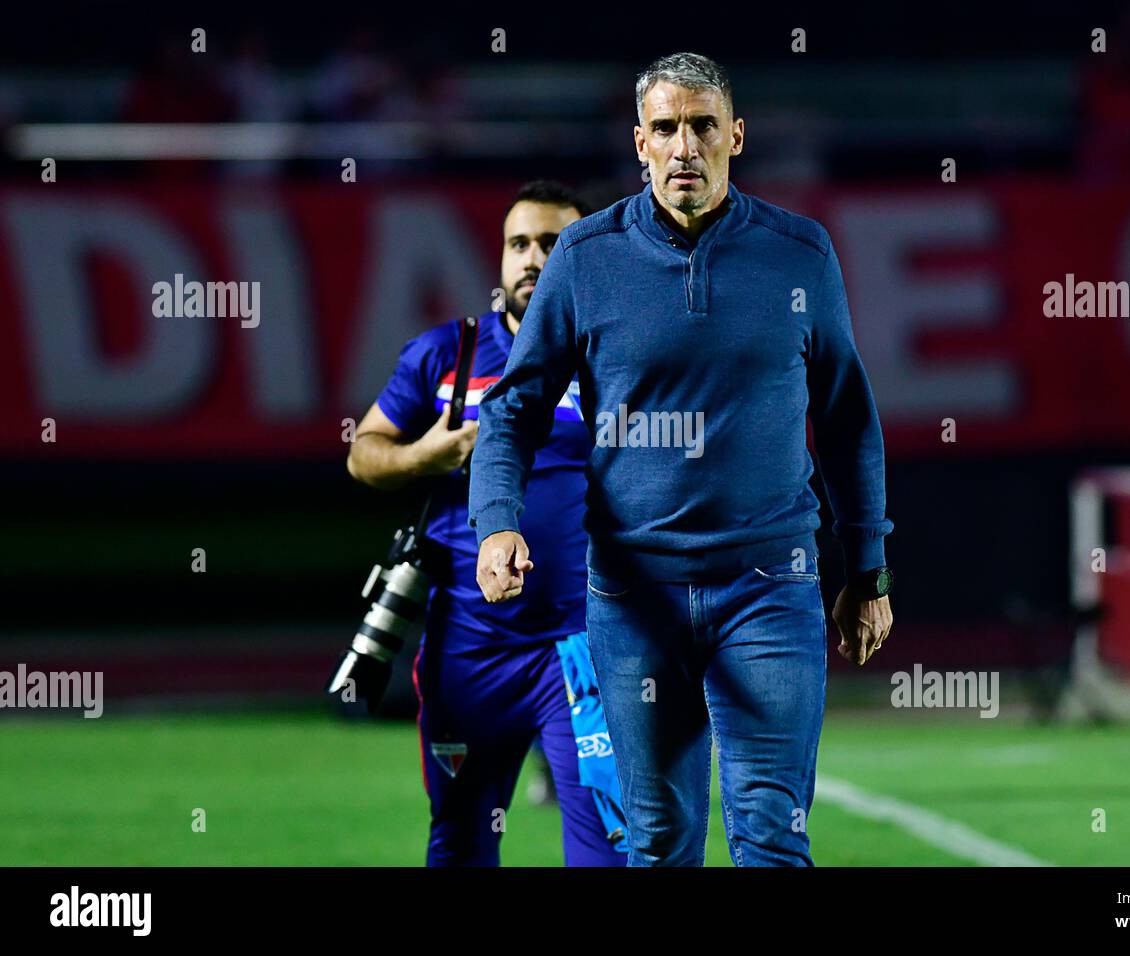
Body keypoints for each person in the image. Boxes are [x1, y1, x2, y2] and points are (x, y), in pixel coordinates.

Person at [469, 53, 894, 867]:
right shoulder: (585, 258)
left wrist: (867, 567)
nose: (685, 146)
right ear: (640, 143)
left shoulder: (799, 253)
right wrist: (496, 523)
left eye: (703, 125)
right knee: (661, 842)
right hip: (633, 600)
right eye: (666, 128)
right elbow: (514, 405)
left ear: (735, 135)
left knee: (772, 836)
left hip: (771, 587)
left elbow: (846, 417)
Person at [347, 180, 626, 867]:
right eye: (519, 244)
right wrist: (426, 453)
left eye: (555, 244)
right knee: (463, 841)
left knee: (608, 847)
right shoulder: (450, 355)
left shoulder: (617, 360)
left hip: (583, 650)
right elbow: (363, 453)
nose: (533, 258)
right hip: (468, 652)